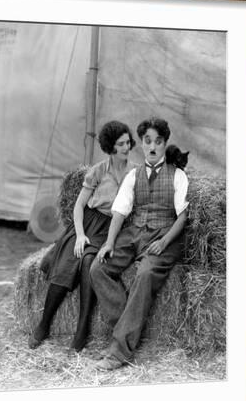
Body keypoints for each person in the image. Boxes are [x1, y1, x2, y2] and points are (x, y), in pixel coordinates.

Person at [28, 120, 138, 352]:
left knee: (90, 261)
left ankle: (82, 328)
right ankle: (44, 324)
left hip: (113, 227)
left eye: (128, 142)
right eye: (121, 144)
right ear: (110, 147)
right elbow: (78, 207)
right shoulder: (97, 171)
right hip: (89, 222)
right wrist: (79, 235)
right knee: (68, 260)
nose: (126, 148)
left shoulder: (135, 173)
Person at [90, 117, 189, 370]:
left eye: (158, 141)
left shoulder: (178, 176)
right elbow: (120, 212)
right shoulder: (133, 175)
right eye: (147, 142)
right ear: (142, 145)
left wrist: (164, 242)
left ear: (165, 143)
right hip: (135, 233)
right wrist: (109, 243)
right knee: (98, 268)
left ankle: (119, 351)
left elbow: (183, 216)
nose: (153, 147)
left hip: (166, 235)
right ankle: (127, 327)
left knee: (144, 274)